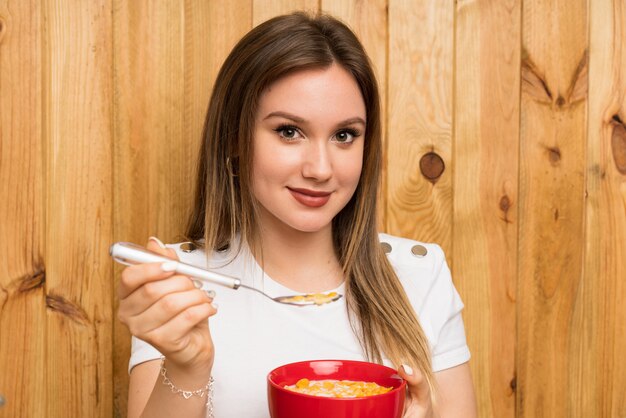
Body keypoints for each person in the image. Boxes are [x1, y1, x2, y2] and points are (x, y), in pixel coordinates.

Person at [117, 12, 477, 418]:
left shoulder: (421, 276)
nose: (320, 169)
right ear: (234, 137)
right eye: (289, 131)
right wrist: (187, 368)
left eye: (344, 135)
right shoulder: (178, 287)